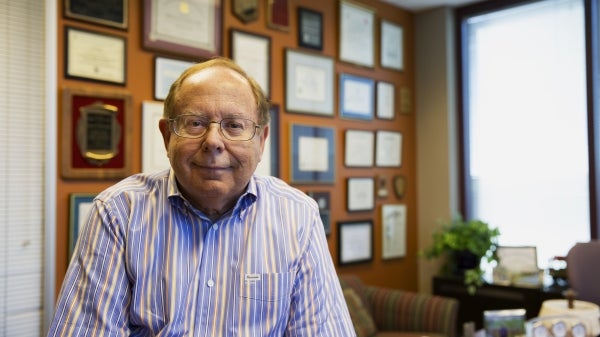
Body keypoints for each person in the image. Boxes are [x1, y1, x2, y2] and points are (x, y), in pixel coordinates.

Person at [47, 57, 355, 337]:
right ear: (168, 136)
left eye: (234, 125)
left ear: (261, 141)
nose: (213, 142)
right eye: (194, 123)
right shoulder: (118, 212)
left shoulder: (297, 216)